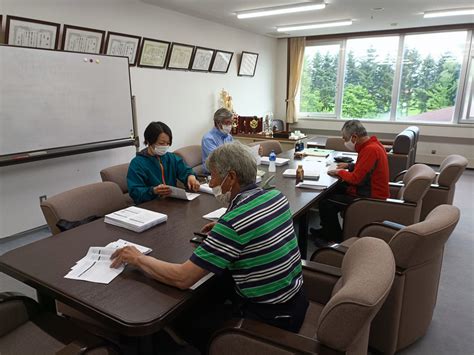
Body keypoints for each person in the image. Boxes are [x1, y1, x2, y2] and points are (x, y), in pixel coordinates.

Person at [112, 142, 308, 351]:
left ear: (231, 178)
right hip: (296, 299)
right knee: (210, 291)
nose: (211, 182)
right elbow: (257, 228)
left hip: (270, 317)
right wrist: (225, 228)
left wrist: (138, 258)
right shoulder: (275, 196)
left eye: (213, 176)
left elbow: (182, 278)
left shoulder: (234, 223)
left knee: (179, 321)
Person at [311, 120, 389, 245]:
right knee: (333, 190)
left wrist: (339, 172)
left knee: (326, 202)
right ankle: (327, 229)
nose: (344, 141)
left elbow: (356, 179)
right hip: (368, 189)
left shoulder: (370, 150)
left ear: (354, 137)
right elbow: (366, 168)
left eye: (345, 138)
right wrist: (349, 165)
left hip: (369, 197)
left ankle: (334, 238)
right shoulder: (374, 145)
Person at [127, 121, 200, 204]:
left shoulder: (171, 158)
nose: (165, 146)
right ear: (148, 142)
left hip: (171, 203)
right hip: (151, 206)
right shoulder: (137, 163)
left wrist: (190, 177)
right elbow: (135, 192)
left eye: (168, 143)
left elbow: (184, 170)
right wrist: (153, 191)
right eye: (161, 143)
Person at [201, 108, 234, 174]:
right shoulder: (208, 139)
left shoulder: (229, 137)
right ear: (218, 123)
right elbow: (217, 160)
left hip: (227, 170)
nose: (230, 125)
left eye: (231, 122)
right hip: (214, 173)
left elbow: (235, 153)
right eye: (227, 123)